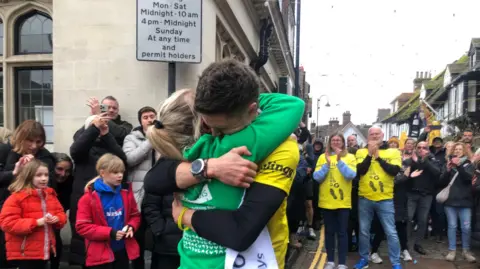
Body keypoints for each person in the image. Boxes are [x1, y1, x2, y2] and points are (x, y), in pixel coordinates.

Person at [144, 59, 304, 269]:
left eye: (220, 125)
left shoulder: (187, 150)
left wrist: (185, 214)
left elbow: (153, 180)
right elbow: (293, 105)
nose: (214, 132)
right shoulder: (239, 142)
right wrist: (212, 167)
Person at [69, 114, 127, 267]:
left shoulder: (108, 144)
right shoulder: (82, 145)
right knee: (86, 244)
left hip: (109, 197)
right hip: (87, 196)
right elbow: (75, 150)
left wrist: (107, 134)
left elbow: (122, 158)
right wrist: (93, 128)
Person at [75, 154, 141, 269]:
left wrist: (131, 226)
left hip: (122, 250)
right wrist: (110, 233)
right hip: (100, 254)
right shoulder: (88, 198)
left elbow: (135, 215)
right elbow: (82, 227)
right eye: (115, 172)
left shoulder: (125, 193)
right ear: (102, 173)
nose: (120, 175)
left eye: (122, 172)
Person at [0, 159, 67, 269]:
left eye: (46, 175)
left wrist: (58, 219)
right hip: (24, 253)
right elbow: (6, 223)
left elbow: (61, 213)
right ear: (28, 176)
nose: (44, 178)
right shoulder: (16, 198)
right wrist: (36, 222)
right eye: (39, 175)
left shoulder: (50, 195)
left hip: (44, 250)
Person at [353, 126, 402, 269]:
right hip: (365, 198)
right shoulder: (361, 151)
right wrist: (369, 155)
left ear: (382, 135)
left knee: (391, 231)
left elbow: (393, 171)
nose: (374, 136)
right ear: (368, 137)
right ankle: (364, 259)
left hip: (385, 199)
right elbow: (360, 171)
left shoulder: (393, 151)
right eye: (371, 134)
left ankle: (396, 262)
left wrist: (378, 158)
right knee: (363, 231)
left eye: (377, 134)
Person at [313, 134, 357, 269]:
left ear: (343, 143)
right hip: (327, 201)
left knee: (342, 233)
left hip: (343, 202)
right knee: (329, 232)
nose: (336, 142)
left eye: (338, 140)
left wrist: (338, 161)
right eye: (333, 140)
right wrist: (327, 164)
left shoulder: (350, 157)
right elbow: (316, 177)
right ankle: (331, 261)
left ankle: (342, 263)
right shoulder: (323, 157)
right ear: (330, 143)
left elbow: (351, 175)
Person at [123, 106, 157, 269]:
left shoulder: (164, 137)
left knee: (158, 234)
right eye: (146, 117)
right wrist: (151, 140)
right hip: (138, 194)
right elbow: (129, 159)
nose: (150, 119)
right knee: (138, 235)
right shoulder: (131, 138)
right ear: (140, 121)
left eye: (152, 116)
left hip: (158, 193)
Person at [440, 142, 476, 263]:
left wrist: (459, 166)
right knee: (452, 226)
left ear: (465, 151)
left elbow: (467, 178)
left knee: (466, 227)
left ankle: (466, 250)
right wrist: (448, 170)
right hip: (451, 201)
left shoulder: (469, 164)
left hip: (465, 201)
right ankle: (452, 250)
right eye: (456, 149)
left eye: (460, 149)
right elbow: (442, 181)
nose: (458, 151)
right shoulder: (448, 164)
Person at [49, 153, 74, 269]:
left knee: (56, 238)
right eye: (59, 169)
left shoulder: (70, 183)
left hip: (57, 217)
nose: (63, 174)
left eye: (67, 171)